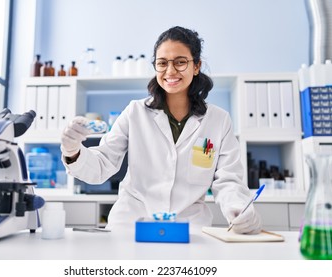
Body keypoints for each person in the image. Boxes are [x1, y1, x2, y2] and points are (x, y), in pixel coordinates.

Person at [60, 26, 262, 234]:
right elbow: (102, 165)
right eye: (162, 63)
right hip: (132, 225)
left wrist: (239, 209)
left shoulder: (218, 120)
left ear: (196, 66)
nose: (170, 71)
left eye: (180, 62)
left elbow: (228, 179)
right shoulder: (135, 112)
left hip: (189, 228)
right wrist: (73, 150)